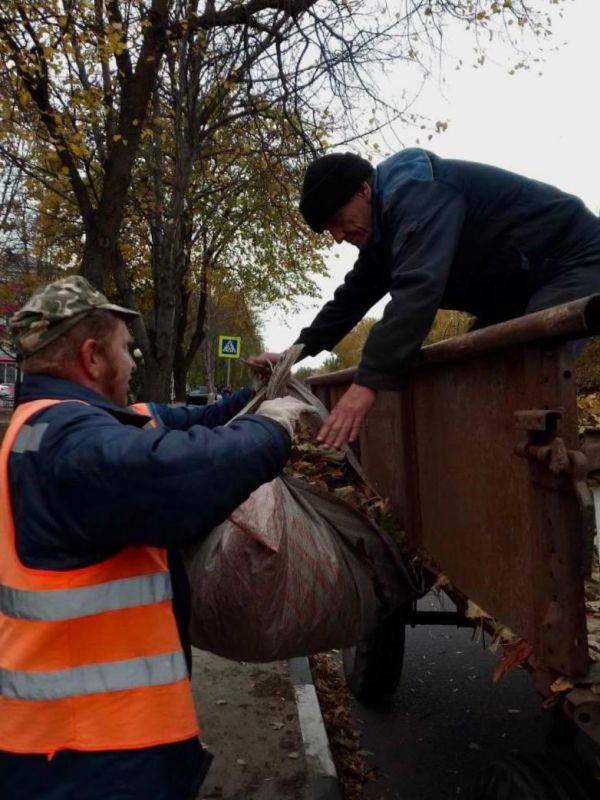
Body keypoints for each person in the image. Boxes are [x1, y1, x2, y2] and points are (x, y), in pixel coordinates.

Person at [0, 276, 311, 800]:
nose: (135, 359)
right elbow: (183, 474)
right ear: (92, 357)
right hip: (86, 754)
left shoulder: (62, 425)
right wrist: (274, 429)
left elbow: (200, 422)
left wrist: (259, 394)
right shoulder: (69, 444)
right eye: (126, 348)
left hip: (83, 740)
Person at [253, 149, 600, 447]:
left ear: (363, 190)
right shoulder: (384, 231)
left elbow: (419, 286)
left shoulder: (416, 191)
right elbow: (351, 298)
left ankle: (549, 479)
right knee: (481, 377)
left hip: (571, 259)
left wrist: (368, 381)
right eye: (330, 231)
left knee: (531, 369)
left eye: (337, 221)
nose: (339, 237)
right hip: (518, 288)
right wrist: (294, 353)